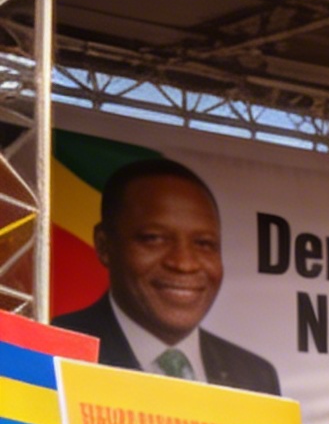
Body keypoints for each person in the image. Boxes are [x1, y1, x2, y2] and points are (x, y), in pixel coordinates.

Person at [50, 158, 280, 389]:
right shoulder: (52, 351)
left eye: (204, 243)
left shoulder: (256, 376)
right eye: (154, 239)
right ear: (104, 245)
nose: (184, 264)